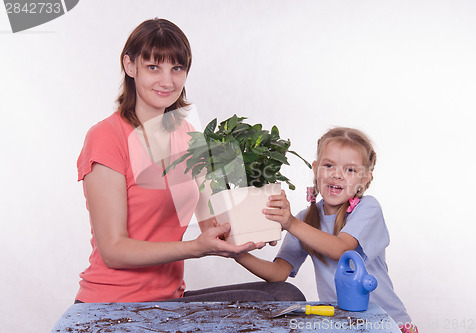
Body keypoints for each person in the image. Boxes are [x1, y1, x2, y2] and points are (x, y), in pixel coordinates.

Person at [75, 18, 305, 304]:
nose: (167, 81)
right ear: (130, 66)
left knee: (284, 295)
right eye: (153, 67)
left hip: (167, 299)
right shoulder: (106, 137)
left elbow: (213, 223)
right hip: (113, 302)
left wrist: (257, 222)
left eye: (177, 68)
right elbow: (113, 249)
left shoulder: (187, 135)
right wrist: (195, 248)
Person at [235, 127, 418, 333]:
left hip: (388, 323)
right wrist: (238, 253)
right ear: (315, 169)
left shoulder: (368, 208)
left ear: (365, 178)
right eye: (329, 165)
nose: (337, 175)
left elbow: (341, 249)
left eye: (350, 170)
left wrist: (291, 223)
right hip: (344, 325)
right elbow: (278, 274)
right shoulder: (305, 219)